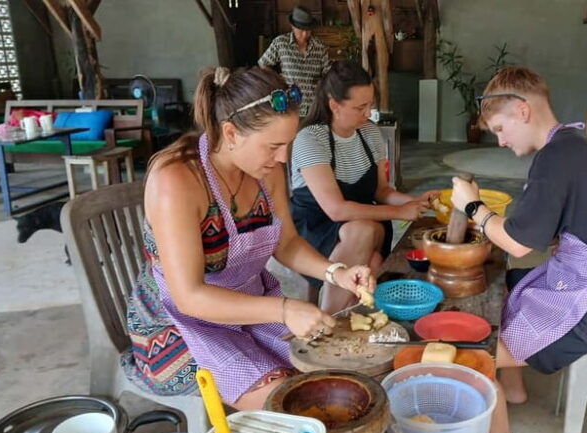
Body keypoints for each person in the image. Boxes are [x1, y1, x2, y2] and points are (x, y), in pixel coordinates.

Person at [137, 65, 375, 410]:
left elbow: (287, 243)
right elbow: (189, 297)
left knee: (325, 375)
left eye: (287, 145)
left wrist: (335, 272)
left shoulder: (267, 171)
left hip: (250, 305)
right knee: (290, 404)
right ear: (231, 133)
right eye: (273, 146)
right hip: (178, 325)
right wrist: (284, 308)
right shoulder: (176, 179)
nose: (282, 158)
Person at [451, 66, 587, 433]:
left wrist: (473, 206)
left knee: (469, 358)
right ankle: (514, 388)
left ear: (522, 111)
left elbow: (518, 244)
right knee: (507, 285)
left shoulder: (555, 159)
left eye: (501, 130)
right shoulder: (568, 146)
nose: (501, 142)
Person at [289, 60, 438, 314]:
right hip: (314, 228)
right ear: (334, 105)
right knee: (371, 258)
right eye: (360, 107)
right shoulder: (311, 139)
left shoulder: (369, 133)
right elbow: (336, 210)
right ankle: (330, 319)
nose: (368, 113)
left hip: (363, 223)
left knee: (365, 233)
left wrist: (413, 202)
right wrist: (399, 213)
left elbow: (381, 192)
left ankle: (330, 322)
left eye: (370, 104)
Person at [258, 5, 330, 117]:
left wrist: (322, 82)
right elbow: (263, 64)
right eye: (301, 30)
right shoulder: (281, 43)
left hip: (314, 108)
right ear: (292, 26)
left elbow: (328, 72)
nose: (305, 34)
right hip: (291, 108)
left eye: (308, 30)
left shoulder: (320, 46)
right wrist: (277, 80)